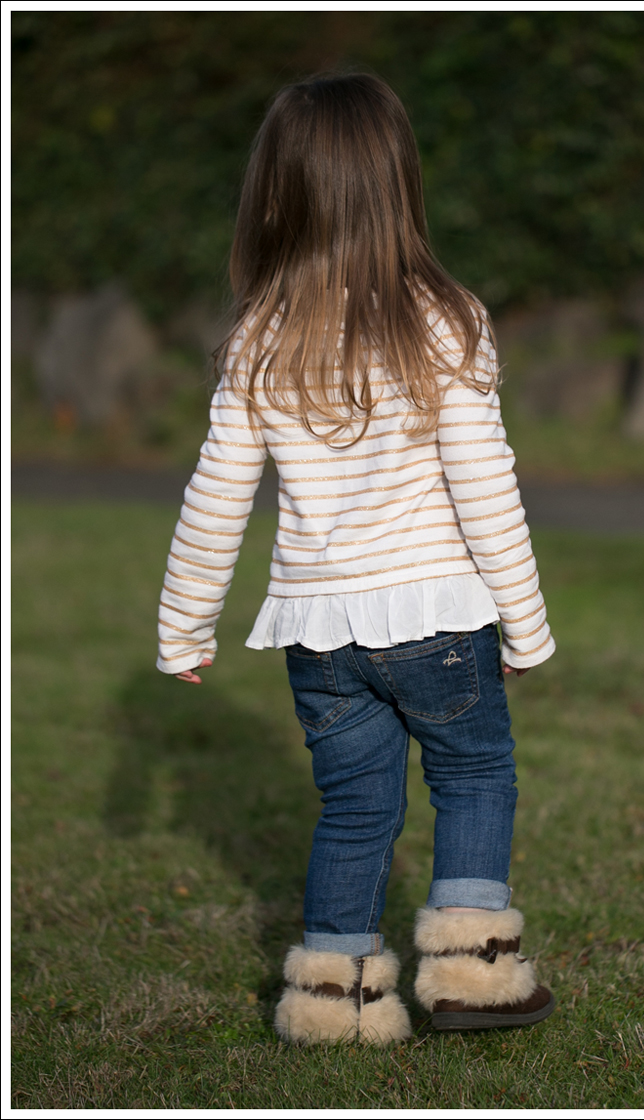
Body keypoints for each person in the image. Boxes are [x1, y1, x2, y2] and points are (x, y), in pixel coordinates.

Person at [156, 72, 556, 1046]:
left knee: (355, 809)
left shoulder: (261, 336)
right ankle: (470, 976)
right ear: (399, 182)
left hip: (320, 634)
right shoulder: (445, 319)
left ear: (275, 194)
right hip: (438, 620)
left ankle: (332, 998)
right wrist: (527, 623)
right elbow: (484, 481)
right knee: (473, 777)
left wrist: (183, 626)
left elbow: (213, 497)